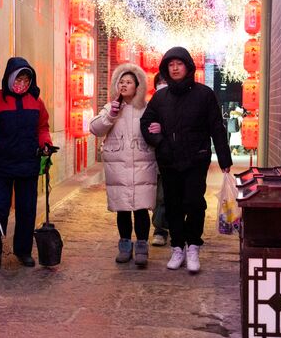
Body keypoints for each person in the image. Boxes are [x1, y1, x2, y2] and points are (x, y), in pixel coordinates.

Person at [140, 46, 232, 273]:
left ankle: (193, 245)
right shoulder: (160, 97)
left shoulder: (204, 94)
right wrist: (159, 139)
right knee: (173, 205)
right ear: (166, 69)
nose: (175, 68)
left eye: (178, 64)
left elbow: (216, 128)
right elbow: (145, 123)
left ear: (188, 66)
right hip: (169, 160)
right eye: (170, 65)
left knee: (194, 202)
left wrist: (224, 158)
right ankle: (177, 247)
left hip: (195, 159)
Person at [0, 57, 52, 271]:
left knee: (27, 210)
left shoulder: (36, 102)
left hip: (28, 164)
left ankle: (23, 250)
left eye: (26, 80)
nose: (22, 84)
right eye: (18, 79)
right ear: (9, 79)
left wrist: (46, 144)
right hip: (1, 166)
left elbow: (42, 128)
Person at [89, 63, 157, 267]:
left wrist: (157, 128)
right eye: (121, 82)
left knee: (141, 209)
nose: (124, 85)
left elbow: (155, 131)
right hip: (118, 168)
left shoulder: (147, 108)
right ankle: (125, 245)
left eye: (129, 82)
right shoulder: (111, 107)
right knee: (123, 209)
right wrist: (111, 115)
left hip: (142, 165)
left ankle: (142, 246)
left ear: (138, 86)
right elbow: (95, 128)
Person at [151, 72, 169, 246]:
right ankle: (160, 229)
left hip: (179, 158)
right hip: (157, 158)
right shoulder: (152, 104)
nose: (162, 84)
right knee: (160, 196)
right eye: (160, 82)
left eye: (165, 81)